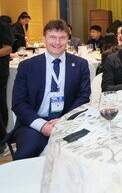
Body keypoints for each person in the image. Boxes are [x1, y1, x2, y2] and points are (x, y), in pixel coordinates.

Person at [7, 20, 91, 160]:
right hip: (34, 122)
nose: (57, 42)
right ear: (44, 39)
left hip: (67, 121)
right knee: (26, 153)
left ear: (68, 40)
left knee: (84, 154)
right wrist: (42, 125)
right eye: (52, 37)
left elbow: (83, 97)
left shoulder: (80, 64)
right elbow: (19, 102)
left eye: (62, 38)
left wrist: (63, 120)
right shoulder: (27, 66)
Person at [0, 18, 13, 153]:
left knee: (1, 105)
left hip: (1, 72)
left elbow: (8, 49)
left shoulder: (3, 27)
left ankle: (2, 141)